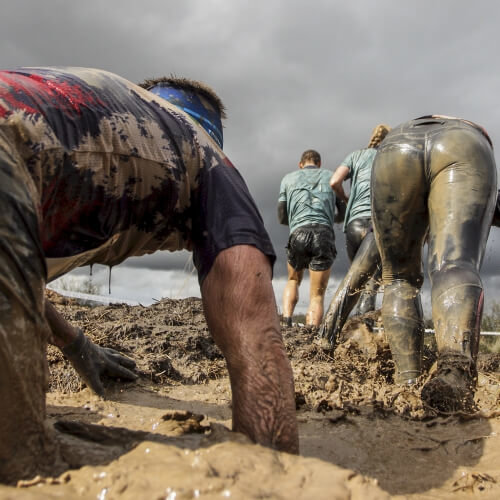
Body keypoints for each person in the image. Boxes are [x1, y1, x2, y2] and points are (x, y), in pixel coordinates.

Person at [0, 67, 298, 483]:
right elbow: (252, 318)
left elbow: (17, 275)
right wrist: (272, 470)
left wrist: (75, 343)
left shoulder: (93, 116)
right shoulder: (205, 154)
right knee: (24, 464)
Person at [370, 115, 497, 412]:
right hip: (465, 144)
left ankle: (408, 385)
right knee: (453, 263)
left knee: (398, 278)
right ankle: (454, 369)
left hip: (396, 146)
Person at [320, 125, 390, 346]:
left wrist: (347, 199)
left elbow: (334, 181)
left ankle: (331, 335)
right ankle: (363, 338)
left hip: (354, 224)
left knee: (355, 282)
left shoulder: (356, 156)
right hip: (379, 223)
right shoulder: (392, 158)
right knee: (371, 285)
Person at [278, 150, 343, 329]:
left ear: (301, 164)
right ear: (319, 163)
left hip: (298, 232)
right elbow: (342, 211)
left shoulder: (288, 178)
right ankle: (311, 333)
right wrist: (332, 219)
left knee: (293, 280)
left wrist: (294, 222)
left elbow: (281, 215)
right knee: (317, 295)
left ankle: (286, 322)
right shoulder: (330, 176)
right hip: (323, 234)